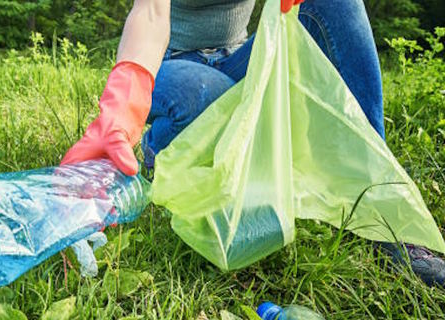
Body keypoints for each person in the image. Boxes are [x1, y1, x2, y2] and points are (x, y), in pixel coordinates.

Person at [60, 0, 445, 286]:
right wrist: (127, 95)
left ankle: (379, 207)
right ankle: (159, 152)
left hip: (238, 57)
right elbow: (151, 12)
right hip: (173, 62)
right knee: (206, 95)